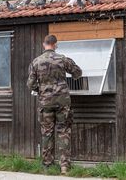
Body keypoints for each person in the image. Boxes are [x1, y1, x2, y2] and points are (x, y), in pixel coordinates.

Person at [27, 34, 82, 174]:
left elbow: (30, 84)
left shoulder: (36, 62)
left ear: (44, 44)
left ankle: (47, 165)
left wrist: (41, 90)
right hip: (63, 101)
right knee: (64, 132)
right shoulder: (63, 59)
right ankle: (64, 167)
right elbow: (78, 73)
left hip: (45, 102)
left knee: (47, 133)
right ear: (55, 44)